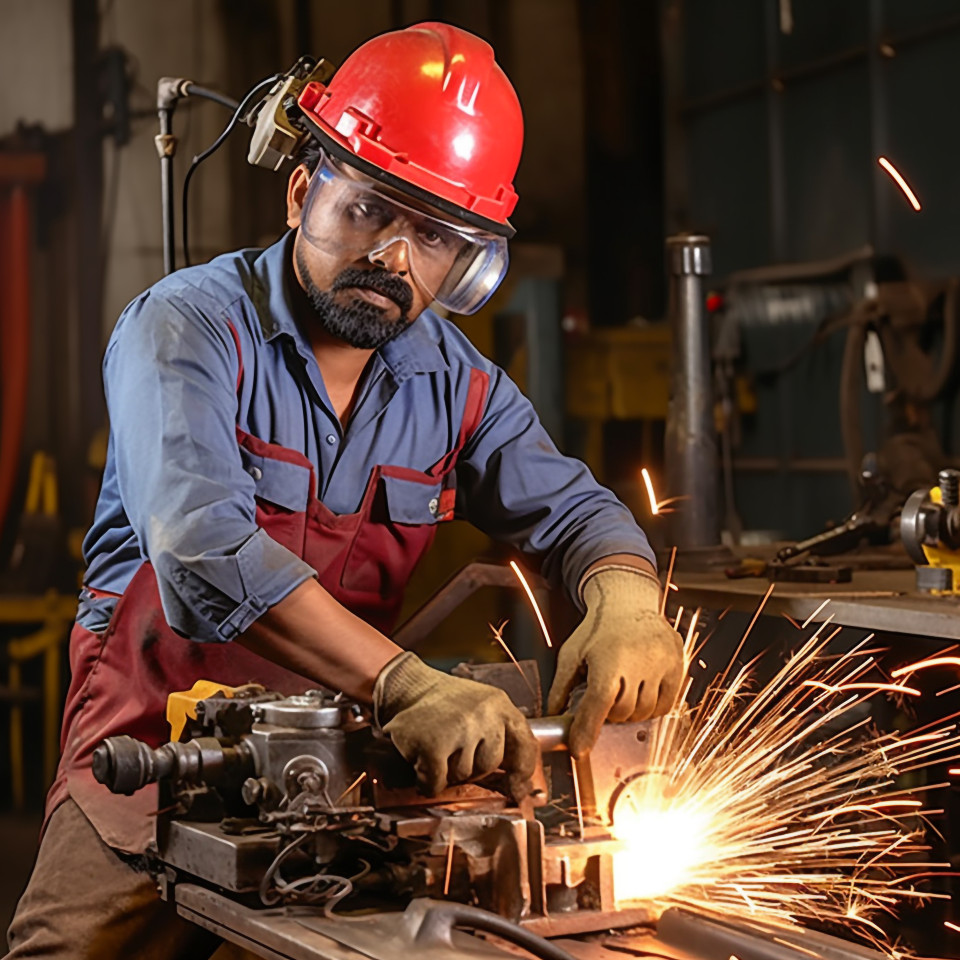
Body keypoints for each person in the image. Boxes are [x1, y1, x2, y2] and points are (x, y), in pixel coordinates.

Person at [7, 21, 683, 959]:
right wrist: (406, 682)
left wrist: (627, 601)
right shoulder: (188, 330)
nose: (395, 259)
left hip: (338, 777)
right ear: (302, 192)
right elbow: (205, 554)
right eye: (368, 210)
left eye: (437, 237)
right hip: (150, 759)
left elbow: (571, 508)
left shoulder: (454, 380)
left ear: (466, 260)